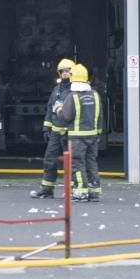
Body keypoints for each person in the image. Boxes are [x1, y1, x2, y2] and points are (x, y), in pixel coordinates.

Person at [55, 63, 103, 202]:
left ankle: (81, 191)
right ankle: (94, 191)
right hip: (93, 136)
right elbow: (100, 117)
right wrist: (98, 134)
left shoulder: (73, 96)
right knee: (91, 162)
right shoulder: (95, 95)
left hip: (77, 137)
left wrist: (58, 108)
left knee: (77, 163)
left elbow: (66, 116)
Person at [31, 58, 75, 199]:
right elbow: (50, 109)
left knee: (71, 163)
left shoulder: (76, 90)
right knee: (49, 159)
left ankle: (72, 190)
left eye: (67, 71)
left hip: (70, 132)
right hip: (56, 132)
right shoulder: (56, 90)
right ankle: (47, 189)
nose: (64, 74)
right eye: (62, 71)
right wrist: (46, 127)